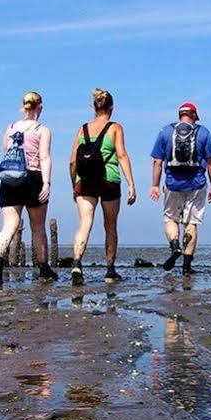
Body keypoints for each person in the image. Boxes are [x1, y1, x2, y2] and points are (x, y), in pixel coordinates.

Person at [68, 88, 137, 285]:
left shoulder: (82, 129)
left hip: (85, 182)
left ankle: (77, 263)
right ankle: (109, 270)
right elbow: (122, 155)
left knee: (85, 223)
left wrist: (75, 184)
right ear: (111, 108)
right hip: (109, 181)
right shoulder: (115, 127)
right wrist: (131, 183)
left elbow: (73, 161)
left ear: (94, 107)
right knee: (110, 226)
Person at [0, 91, 57, 285]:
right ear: (40, 107)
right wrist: (46, 183)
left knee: (9, 225)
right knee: (37, 228)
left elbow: (5, 151)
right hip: (33, 177)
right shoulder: (41, 129)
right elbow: (44, 157)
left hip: (10, 178)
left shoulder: (11, 128)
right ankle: (44, 269)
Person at [149, 102, 211, 274]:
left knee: (171, 219)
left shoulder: (165, 131)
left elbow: (157, 161)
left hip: (172, 183)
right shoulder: (203, 132)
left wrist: (155, 185)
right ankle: (187, 267)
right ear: (194, 115)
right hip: (197, 183)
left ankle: (174, 246)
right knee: (191, 223)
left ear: (180, 115)